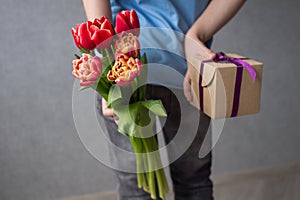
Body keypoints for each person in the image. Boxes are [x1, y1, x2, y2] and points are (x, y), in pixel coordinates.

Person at [83, 0, 245, 199]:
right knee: (192, 182)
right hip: (137, 65)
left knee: (138, 190)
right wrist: (108, 63)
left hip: (178, 71)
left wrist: (107, 60)